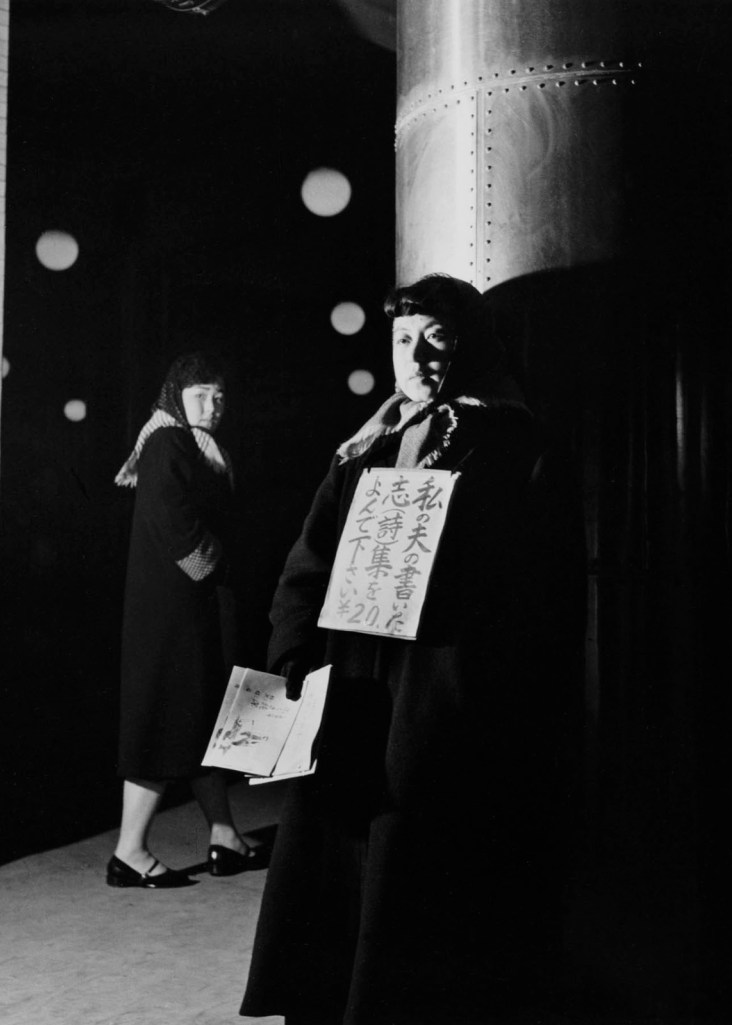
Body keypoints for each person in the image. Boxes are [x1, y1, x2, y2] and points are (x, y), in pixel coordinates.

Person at [240, 274, 581, 1023]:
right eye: (402, 339)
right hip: (353, 689)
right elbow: (309, 560)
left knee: (420, 879)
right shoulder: (365, 445)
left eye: (437, 338)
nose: (418, 356)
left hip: (442, 697)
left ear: (470, 346)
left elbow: (542, 584)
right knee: (338, 868)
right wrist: (292, 659)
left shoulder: (516, 444)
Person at [107, 351, 260, 888]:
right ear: (178, 396)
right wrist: (220, 562)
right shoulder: (168, 441)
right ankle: (129, 852)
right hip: (171, 612)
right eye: (201, 395)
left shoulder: (190, 444)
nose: (213, 406)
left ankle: (225, 836)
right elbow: (176, 526)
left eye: (219, 396)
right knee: (162, 723)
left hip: (184, 608)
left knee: (200, 722)